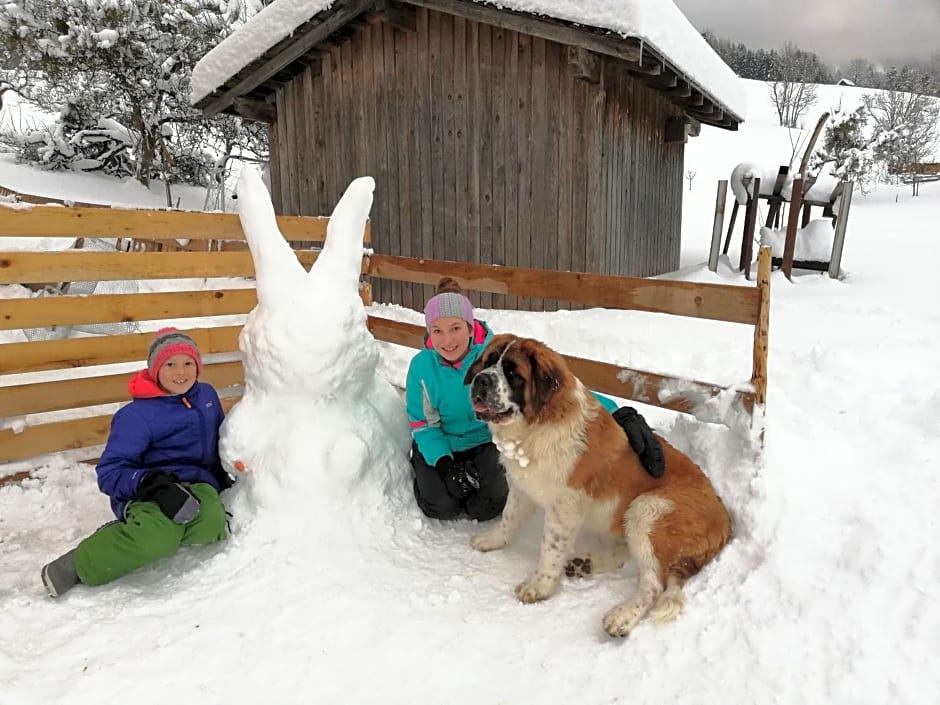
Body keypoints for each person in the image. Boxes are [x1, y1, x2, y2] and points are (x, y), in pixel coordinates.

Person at [406, 278, 665, 523]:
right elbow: (423, 424)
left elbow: (555, 387)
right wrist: (445, 463)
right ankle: (425, 470)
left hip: (485, 442)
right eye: (437, 331)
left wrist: (618, 414)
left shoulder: (494, 356)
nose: (447, 340)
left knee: (487, 508)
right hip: (440, 442)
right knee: (440, 508)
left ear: (470, 326)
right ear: (429, 332)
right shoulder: (421, 367)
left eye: (455, 328)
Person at [40, 328, 233, 597]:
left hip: (197, 481)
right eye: (170, 364)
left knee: (212, 524)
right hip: (149, 490)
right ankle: (82, 561)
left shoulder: (206, 396)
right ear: (155, 369)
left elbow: (220, 435)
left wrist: (229, 470)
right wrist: (150, 483)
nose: (181, 372)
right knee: (158, 540)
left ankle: (147, 532)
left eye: (188, 363)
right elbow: (110, 472)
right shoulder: (136, 416)